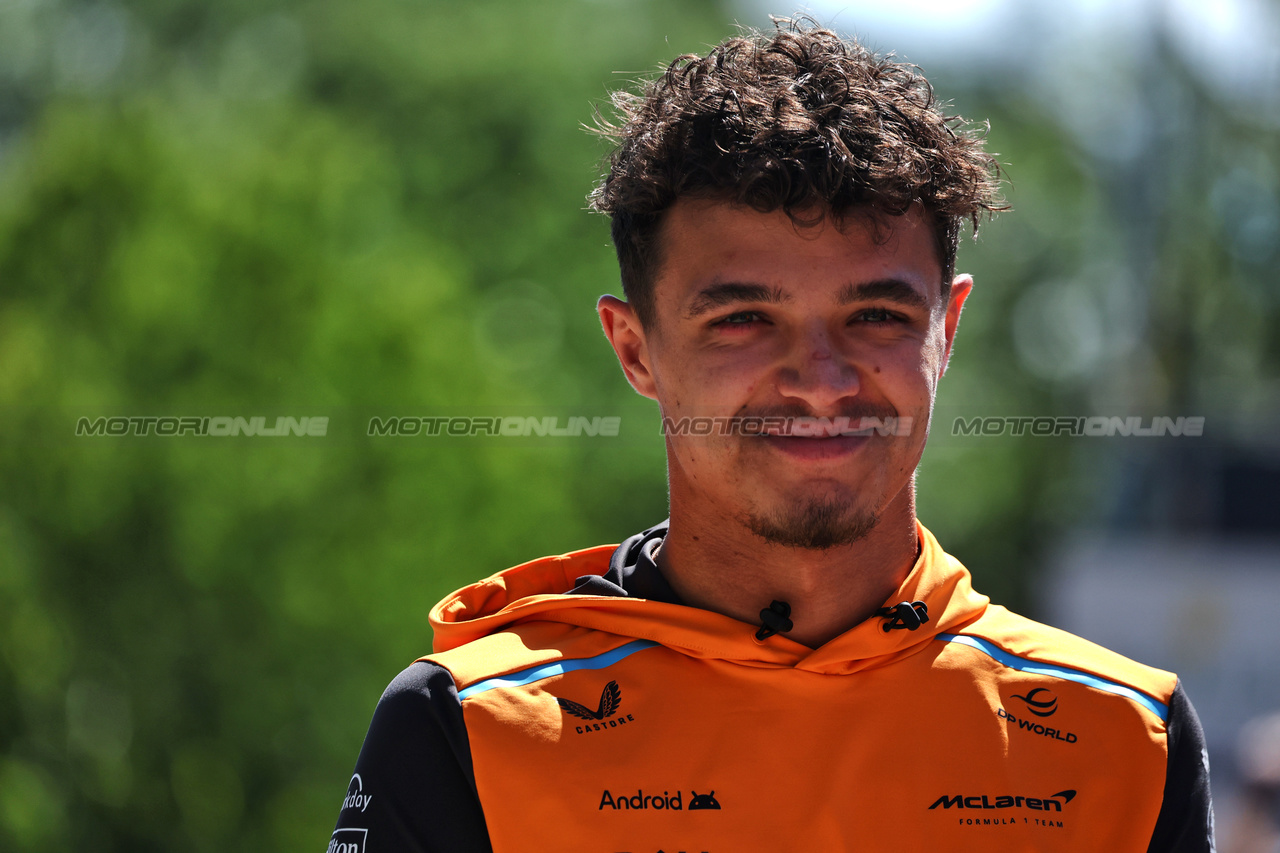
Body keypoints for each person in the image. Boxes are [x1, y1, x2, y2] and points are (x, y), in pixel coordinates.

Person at [329, 19, 1214, 853]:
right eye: (745, 318)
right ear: (634, 348)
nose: (820, 380)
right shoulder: (470, 725)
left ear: (949, 329)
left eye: (874, 314)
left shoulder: (1126, 738)